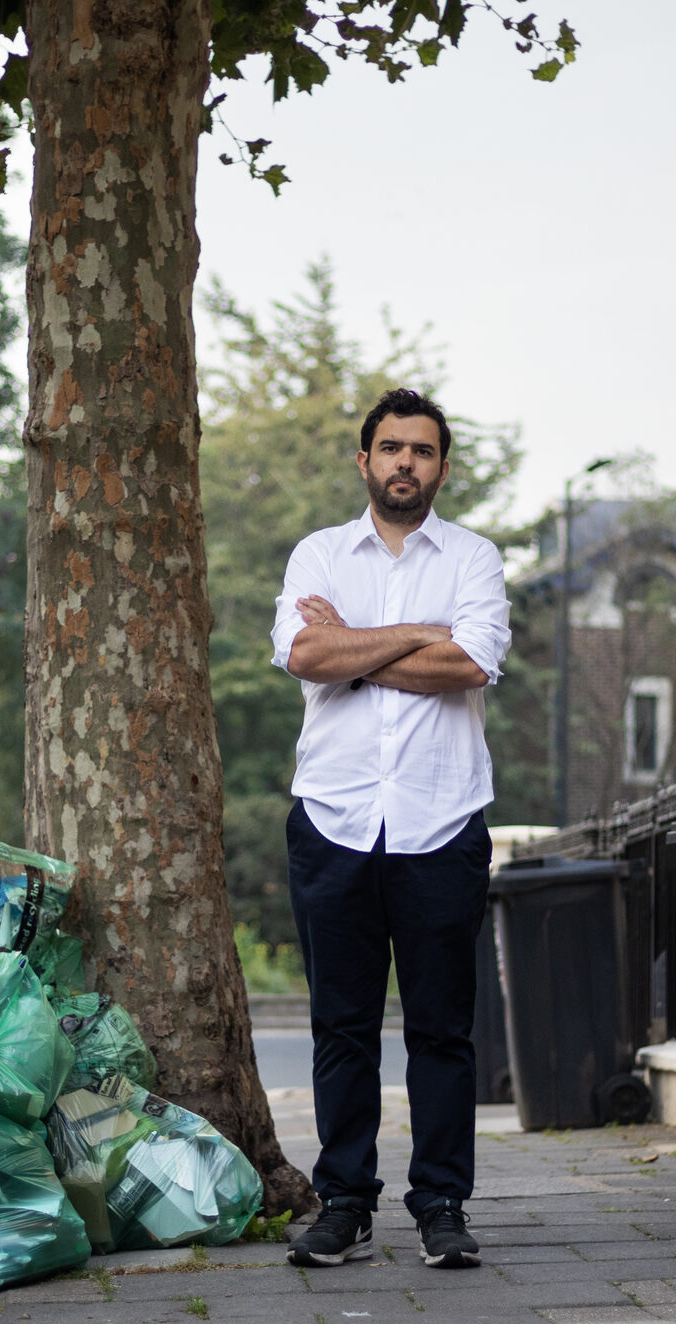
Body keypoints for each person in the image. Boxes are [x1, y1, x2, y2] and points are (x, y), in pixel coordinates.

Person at [269, 386, 511, 1269]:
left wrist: (360, 651)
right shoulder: (319, 556)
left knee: (442, 1029)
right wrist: (416, 636)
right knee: (340, 1024)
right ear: (363, 460)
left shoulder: (475, 560)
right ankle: (345, 1200)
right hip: (333, 819)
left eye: (422, 449)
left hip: (441, 821)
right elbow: (306, 654)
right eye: (391, 448)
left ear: (441, 466)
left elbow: (471, 662)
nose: (406, 461)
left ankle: (442, 1203)